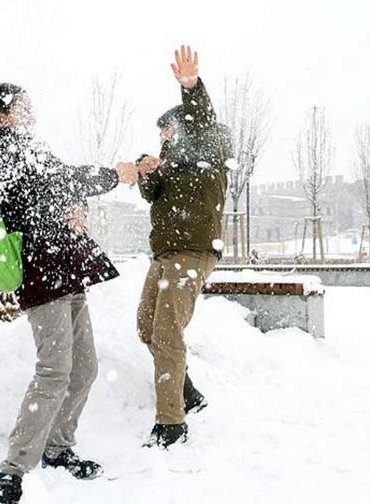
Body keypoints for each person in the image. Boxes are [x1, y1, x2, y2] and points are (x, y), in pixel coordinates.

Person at [0, 83, 139, 504]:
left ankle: (57, 448)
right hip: (42, 270)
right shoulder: (1, 147)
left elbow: (56, 190)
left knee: (85, 367)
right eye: (22, 107)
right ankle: (10, 471)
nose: (32, 112)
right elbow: (61, 180)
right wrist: (115, 175)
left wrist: (77, 209)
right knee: (54, 369)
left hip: (65, 267)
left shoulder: (25, 146)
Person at [135, 46, 234, 448]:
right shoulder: (170, 165)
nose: (163, 137)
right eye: (160, 132)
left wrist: (191, 87)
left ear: (184, 127)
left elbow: (202, 120)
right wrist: (146, 169)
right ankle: (186, 391)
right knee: (147, 326)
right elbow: (151, 194)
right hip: (165, 255)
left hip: (192, 253)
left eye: (168, 130)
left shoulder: (208, 148)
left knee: (167, 332)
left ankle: (171, 424)